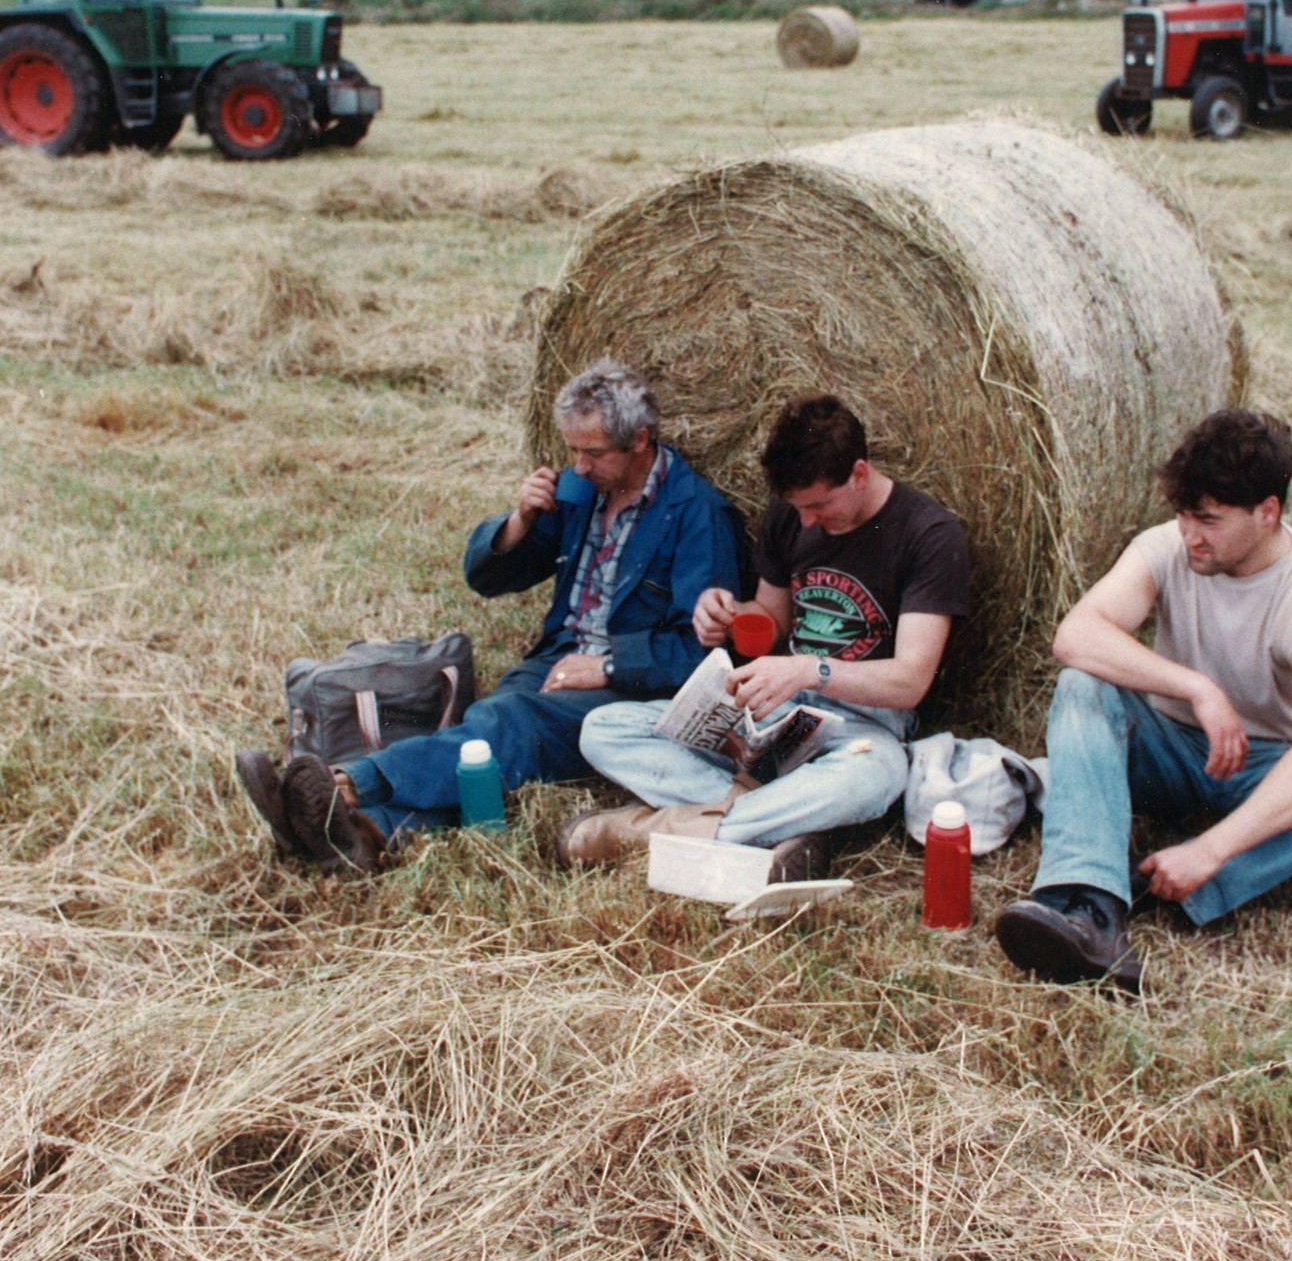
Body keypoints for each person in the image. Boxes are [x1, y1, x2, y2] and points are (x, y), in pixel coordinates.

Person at [236, 359, 746, 873]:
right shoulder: (584, 492)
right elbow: (489, 579)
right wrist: (520, 521)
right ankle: (370, 833)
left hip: (633, 689)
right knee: (488, 747)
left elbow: (704, 653)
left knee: (507, 724)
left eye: (592, 453)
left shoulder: (698, 516)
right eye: (572, 451)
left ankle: (350, 786)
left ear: (639, 440)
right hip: (556, 660)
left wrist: (609, 667)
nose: (579, 465)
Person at [995, 408, 1292, 991]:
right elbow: (1076, 636)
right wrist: (1198, 688)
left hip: (1263, 770)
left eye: (1208, 519)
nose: (1190, 533)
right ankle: (1087, 904)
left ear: (1267, 513)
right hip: (1167, 748)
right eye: (1183, 515)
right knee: (1084, 683)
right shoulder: (1168, 546)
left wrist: (1211, 849)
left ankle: (1181, 883)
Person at [559, 394, 971, 882]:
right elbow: (770, 617)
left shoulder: (929, 534)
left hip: (863, 725)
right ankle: (781, 820)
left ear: (859, 473)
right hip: (777, 711)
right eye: (798, 508)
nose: (807, 522)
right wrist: (728, 615)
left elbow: (910, 681)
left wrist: (808, 669)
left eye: (819, 504)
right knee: (604, 729)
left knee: (879, 776)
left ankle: (658, 831)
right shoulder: (791, 512)